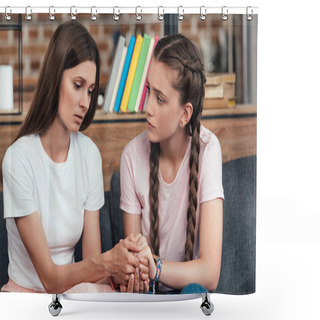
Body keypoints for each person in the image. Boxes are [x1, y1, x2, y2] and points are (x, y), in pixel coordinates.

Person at [1, 21, 149, 294]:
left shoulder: (89, 155)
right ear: (55, 79)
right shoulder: (17, 160)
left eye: (91, 91)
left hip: (71, 294)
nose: (85, 102)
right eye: (77, 85)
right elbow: (49, 279)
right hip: (26, 297)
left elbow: (92, 267)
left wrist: (124, 274)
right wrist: (109, 262)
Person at [120, 34, 224, 294]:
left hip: (191, 296)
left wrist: (155, 267)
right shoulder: (132, 157)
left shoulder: (208, 150)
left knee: (194, 291)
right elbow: (135, 265)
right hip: (148, 299)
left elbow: (210, 274)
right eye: (148, 92)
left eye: (160, 98)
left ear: (184, 114)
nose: (148, 108)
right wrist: (139, 274)